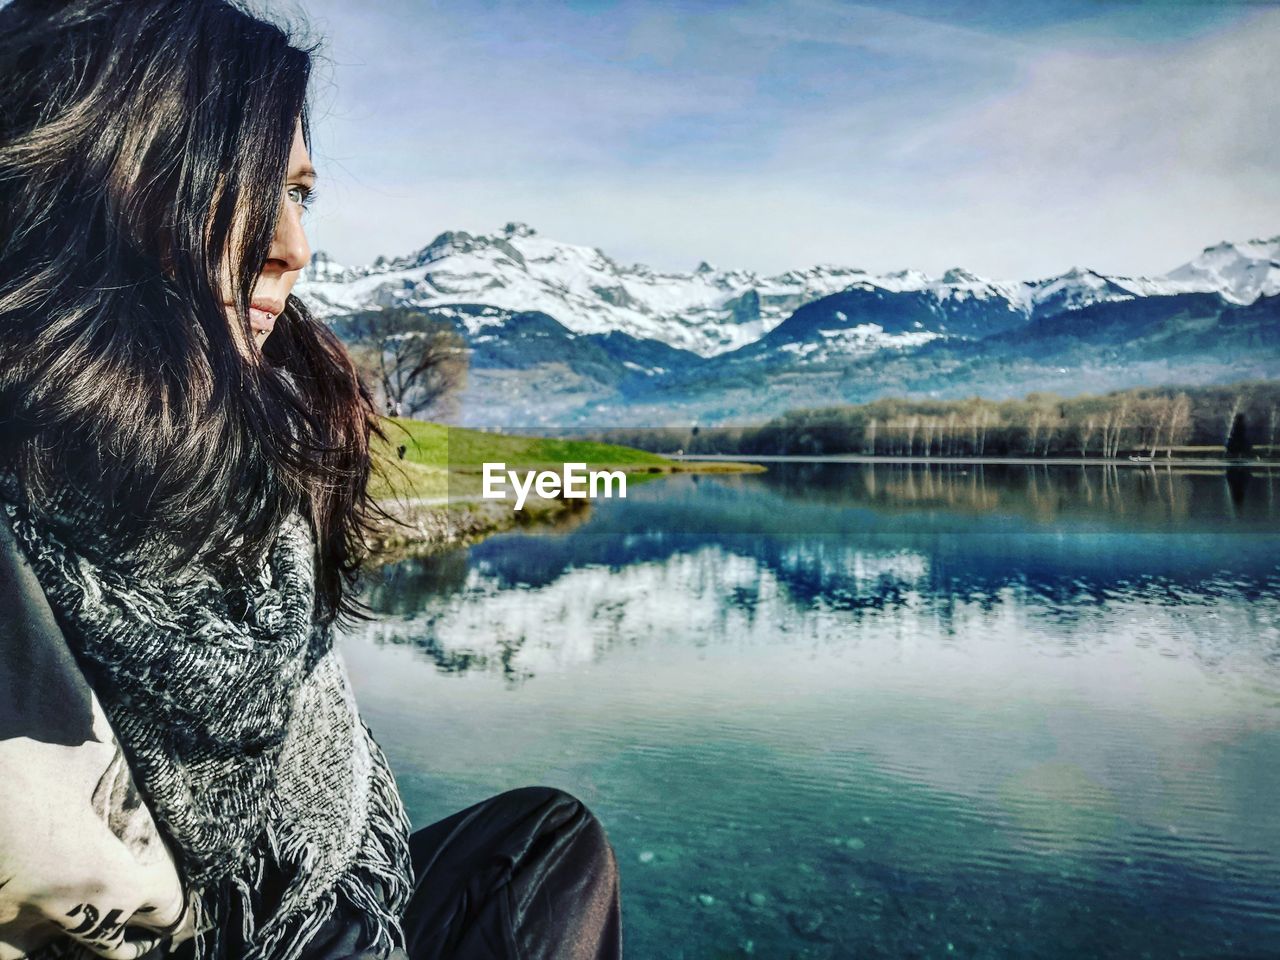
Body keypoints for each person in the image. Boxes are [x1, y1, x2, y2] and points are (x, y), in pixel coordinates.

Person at [0, 2, 622, 959]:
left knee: (547, 842)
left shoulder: (262, 458)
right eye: (249, 187)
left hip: (312, 912)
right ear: (100, 183)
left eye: (301, 193)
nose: (292, 246)